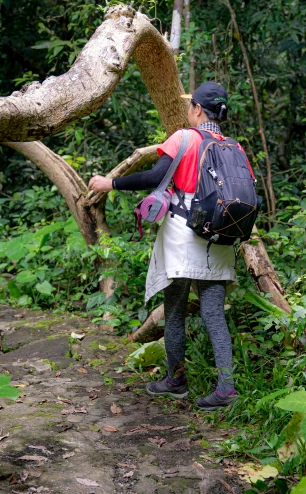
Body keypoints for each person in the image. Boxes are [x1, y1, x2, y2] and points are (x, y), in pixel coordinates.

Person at [89, 81, 254, 411]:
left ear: (196, 110)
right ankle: (226, 388)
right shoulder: (235, 147)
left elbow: (154, 176)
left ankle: (176, 380)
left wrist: (111, 183)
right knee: (213, 314)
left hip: (184, 235)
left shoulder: (185, 139)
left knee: (175, 308)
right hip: (220, 237)